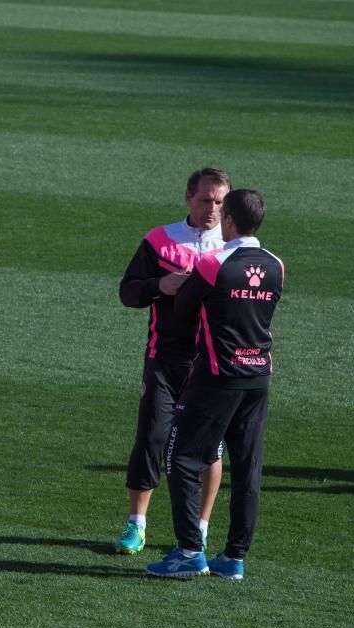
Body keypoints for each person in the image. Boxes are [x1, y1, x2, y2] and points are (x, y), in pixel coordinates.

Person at [147, 189, 284, 579]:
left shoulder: (214, 263)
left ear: (229, 220)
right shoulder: (276, 265)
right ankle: (234, 558)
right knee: (248, 466)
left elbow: (183, 306)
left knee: (181, 458)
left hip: (217, 377)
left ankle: (190, 552)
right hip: (258, 377)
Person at [113, 167, 232, 555]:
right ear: (187, 197)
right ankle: (137, 525)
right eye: (205, 200)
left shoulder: (234, 247)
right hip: (164, 359)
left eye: (219, 202)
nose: (212, 209)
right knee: (151, 438)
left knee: (210, 449)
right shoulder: (159, 241)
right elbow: (128, 293)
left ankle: (201, 527)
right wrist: (158, 286)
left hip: (211, 364)